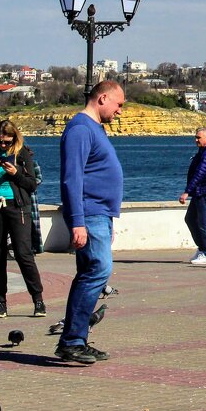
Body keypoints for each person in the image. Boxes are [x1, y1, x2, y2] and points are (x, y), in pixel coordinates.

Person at [56, 80, 125, 365]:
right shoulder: (81, 129)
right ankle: (73, 338)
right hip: (90, 213)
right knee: (98, 270)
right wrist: (77, 222)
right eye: (118, 105)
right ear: (102, 98)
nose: (120, 111)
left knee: (90, 272)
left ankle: (75, 338)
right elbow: (72, 178)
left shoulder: (93, 129)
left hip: (99, 215)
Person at [0, 119, 45, 319]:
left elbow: (31, 185)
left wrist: (16, 174)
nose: (3, 145)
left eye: (7, 141)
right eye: (0, 141)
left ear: (14, 138)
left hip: (17, 207)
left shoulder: (23, 154)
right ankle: (1, 303)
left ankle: (38, 300)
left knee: (23, 254)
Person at [180, 128, 206, 265]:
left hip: (204, 191)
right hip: (199, 191)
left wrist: (187, 192)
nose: (196, 140)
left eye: (199, 138)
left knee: (204, 223)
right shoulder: (203, 151)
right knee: (190, 219)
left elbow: (200, 173)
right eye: (195, 137)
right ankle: (202, 249)